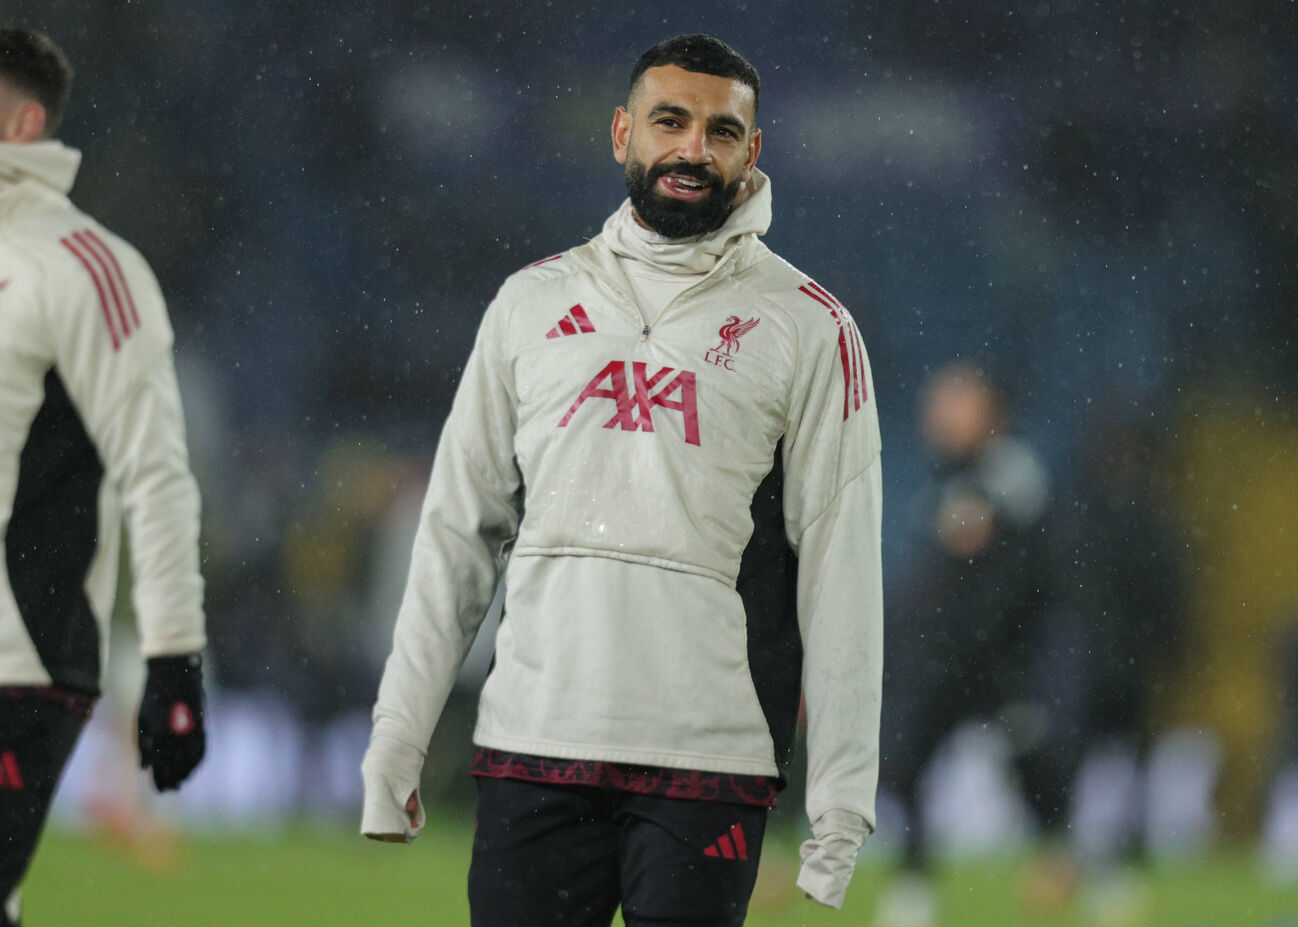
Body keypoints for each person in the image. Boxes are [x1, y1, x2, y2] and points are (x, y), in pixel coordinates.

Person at [361, 34, 883, 923]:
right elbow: (457, 533)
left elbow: (842, 575)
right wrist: (397, 740)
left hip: (710, 757)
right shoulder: (529, 303)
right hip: (534, 739)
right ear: (620, 133)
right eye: (669, 121)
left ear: (750, 153)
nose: (693, 148)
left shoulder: (809, 328)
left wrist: (842, 801)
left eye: (722, 132)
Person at [0, 28, 206, 926]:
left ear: (22, 121)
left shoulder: (90, 269)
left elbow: (153, 474)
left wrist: (173, 661)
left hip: (20, 656)